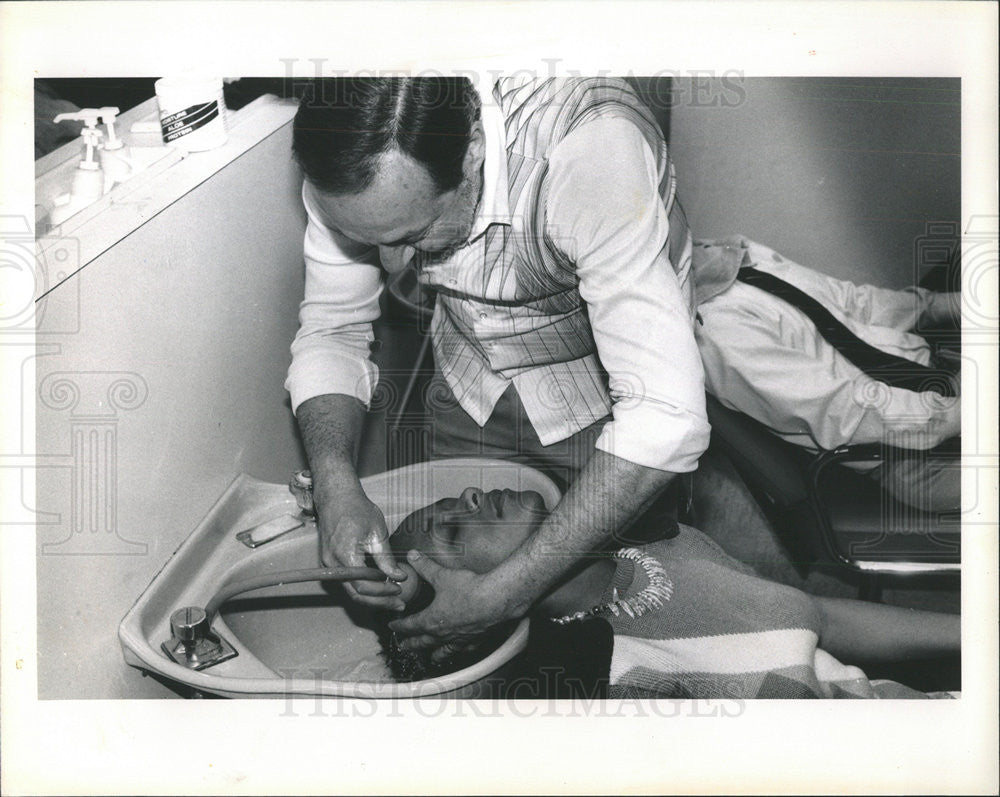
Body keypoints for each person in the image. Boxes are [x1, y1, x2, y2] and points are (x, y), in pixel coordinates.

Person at [286, 77, 711, 653]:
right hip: (471, 383)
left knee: (645, 613)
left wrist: (505, 595)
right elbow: (334, 329)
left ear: (472, 153)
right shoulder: (351, 166)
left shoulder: (588, 150)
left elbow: (665, 417)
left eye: (412, 234)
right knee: (483, 628)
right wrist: (336, 483)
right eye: (362, 239)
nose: (389, 265)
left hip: (613, 403)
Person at [376, 486, 959, 698]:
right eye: (453, 529)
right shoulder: (613, 677)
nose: (473, 495)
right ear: (467, 613)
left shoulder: (658, 542)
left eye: (454, 501)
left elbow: (821, 618)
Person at [691, 236, 961, 512]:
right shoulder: (715, 331)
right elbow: (845, 410)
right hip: (910, 452)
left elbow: (852, 303)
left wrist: (942, 305)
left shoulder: (731, 254)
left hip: (938, 373)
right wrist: (966, 411)